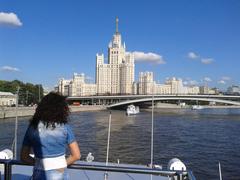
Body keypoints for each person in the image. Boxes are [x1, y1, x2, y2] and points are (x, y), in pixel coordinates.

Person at [21, 92, 80, 180]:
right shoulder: (65, 127)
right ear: (62, 109)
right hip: (60, 172)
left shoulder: (32, 127)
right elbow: (76, 155)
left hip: (39, 172)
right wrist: (60, 164)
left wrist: (40, 163)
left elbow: (24, 156)